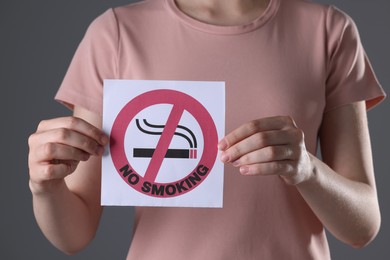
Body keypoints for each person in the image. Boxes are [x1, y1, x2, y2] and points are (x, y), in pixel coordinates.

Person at [28, 0, 386, 259]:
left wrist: (308, 170)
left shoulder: (329, 30)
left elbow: (363, 226)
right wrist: (45, 186)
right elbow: (75, 235)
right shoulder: (116, 33)